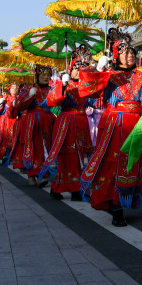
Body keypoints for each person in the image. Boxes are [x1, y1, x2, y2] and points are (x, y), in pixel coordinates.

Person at [81, 29, 142, 227]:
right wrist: (98, 72)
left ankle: (122, 202)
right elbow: (89, 93)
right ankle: (115, 206)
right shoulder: (109, 77)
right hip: (113, 125)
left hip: (136, 125)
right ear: (116, 55)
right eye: (125, 52)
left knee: (130, 165)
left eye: (132, 52)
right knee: (111, 165)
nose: (130, 56)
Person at [43, 47, 95, 201]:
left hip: (82, 122)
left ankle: (71, 187)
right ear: (70, 70)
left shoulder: (86, 86)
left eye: (82, 69)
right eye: (76, 69)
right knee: (67, 156)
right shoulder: (64, 85)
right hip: (66, 123)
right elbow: (53, 101)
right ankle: (72, 188)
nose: (79, 72)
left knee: (79, 155)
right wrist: (63, 86)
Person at [11, 65, 57, 186]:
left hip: (48, 121)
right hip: (33, 122)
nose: (46, 77)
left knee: (46, 148)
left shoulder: (52, 89)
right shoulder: (28, 89)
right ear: (37, 76)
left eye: (48, 75)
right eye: (43, 75)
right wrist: (30, 96)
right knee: (34, 147)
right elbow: (19, 106)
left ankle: (43, 174)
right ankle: (32, 174)